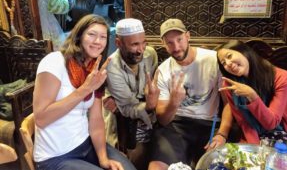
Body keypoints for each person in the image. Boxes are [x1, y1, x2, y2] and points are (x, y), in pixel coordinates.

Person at [33, 14, 137, 170]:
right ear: (79, 36)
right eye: (92, 34)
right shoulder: (55, 62)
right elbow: (41, 118)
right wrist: (86, 89)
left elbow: (96, 120)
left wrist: (103, 159)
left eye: (103, 37)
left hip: (85, 144)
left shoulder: (94, 69)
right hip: (55, 157)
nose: (97, 41)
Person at [148, 18, 232, 170]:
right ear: (163, 44)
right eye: (170, 43)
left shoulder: (213, 60)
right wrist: (174, 102)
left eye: (179, 39)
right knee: (157, 166)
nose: (176, 47)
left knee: (215, 166)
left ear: (188, 36)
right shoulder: (163, 70)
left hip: (209, 124)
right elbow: (163, 120)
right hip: (176, 124)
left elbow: (229, 104)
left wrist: (222, 134)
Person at [216, 39, 287, 156]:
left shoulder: (283, 77)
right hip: (252, 134)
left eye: (229, 56)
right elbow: (243, 122)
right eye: (223, 63)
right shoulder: (230, 84)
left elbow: (272, 123)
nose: (228, 64)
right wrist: (255, 149)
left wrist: (252, 96)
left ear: (244, 52)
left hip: (280, 133)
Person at [105, 18, 160, 170]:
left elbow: (153, 87)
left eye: (143, 42)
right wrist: (149, 105)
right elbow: (127, 107)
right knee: (130, 160)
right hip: (123, 115)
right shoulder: (112, 67)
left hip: (147, 111)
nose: (141, 49)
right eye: (134, 44)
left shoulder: (150, 54)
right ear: (118, 43)